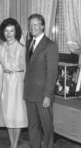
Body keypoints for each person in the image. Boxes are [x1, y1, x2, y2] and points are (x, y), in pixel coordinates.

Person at [24, 13, 59, 148]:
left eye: (36, 24)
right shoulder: (28, 44)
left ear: (43, 26)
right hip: (29, 93)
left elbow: (52, 72)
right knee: (32, 127)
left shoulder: (50, 45)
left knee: (47, 127)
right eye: (31, 25)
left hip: (43, 95)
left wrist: (47, 95)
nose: (33, 27)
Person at [0, 18, 28, 148]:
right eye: (6, 30)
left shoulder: (22, 48)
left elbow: (26, 69)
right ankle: (11, 142)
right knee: (8, 113)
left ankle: (15, 144)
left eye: (11, 31)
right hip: (4, 82)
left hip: (17, 82)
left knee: (17, 113)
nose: (9, 33)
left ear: (16, 32)